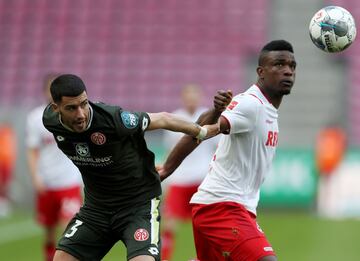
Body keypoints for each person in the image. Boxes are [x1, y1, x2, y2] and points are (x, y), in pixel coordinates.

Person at [42, 74, 230, 261]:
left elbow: (163, 119)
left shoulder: (112, 119)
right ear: (55, 108)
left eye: (84, 103)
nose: (81, 114)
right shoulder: (49, 121)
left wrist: (202, 131)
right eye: (71, 108)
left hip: (138, 205)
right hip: (96, 209)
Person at [158, 40, 297, 261]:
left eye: (292, 66)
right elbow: (204, 130)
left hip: (229, 206)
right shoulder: (252, 104)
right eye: (279, 65)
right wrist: (167, 168)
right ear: (261, 71)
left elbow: (203, 125)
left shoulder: (266, 109)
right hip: (221, 207)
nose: (288, 71)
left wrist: (213, 112)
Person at [26, 74, 83, 261]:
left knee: (69, 231)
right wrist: (36, 177)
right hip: (47, 182)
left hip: (68, 182)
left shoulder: (74, 115)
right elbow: (32, 150)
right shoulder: (35, 118)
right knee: (49, 232)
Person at [161, 84, 219, 260]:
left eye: (195, 96)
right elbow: (171, 151)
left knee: (208, 224)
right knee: (168, 223)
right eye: (188, 96)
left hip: (202, 179)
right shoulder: (174, 118)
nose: (191, 100)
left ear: (200, 98)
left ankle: (204, 257)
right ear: (183, 98)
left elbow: (218, 147)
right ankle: (163, 257)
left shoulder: (210, 117)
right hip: (179, 179)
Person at [0, 123, 16, 217]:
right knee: (2, 184)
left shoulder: (10, 133)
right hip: (1, 162)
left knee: (6, 184)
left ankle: (4, 203)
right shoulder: (2, 133)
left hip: (8, 163)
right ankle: (2, 203)